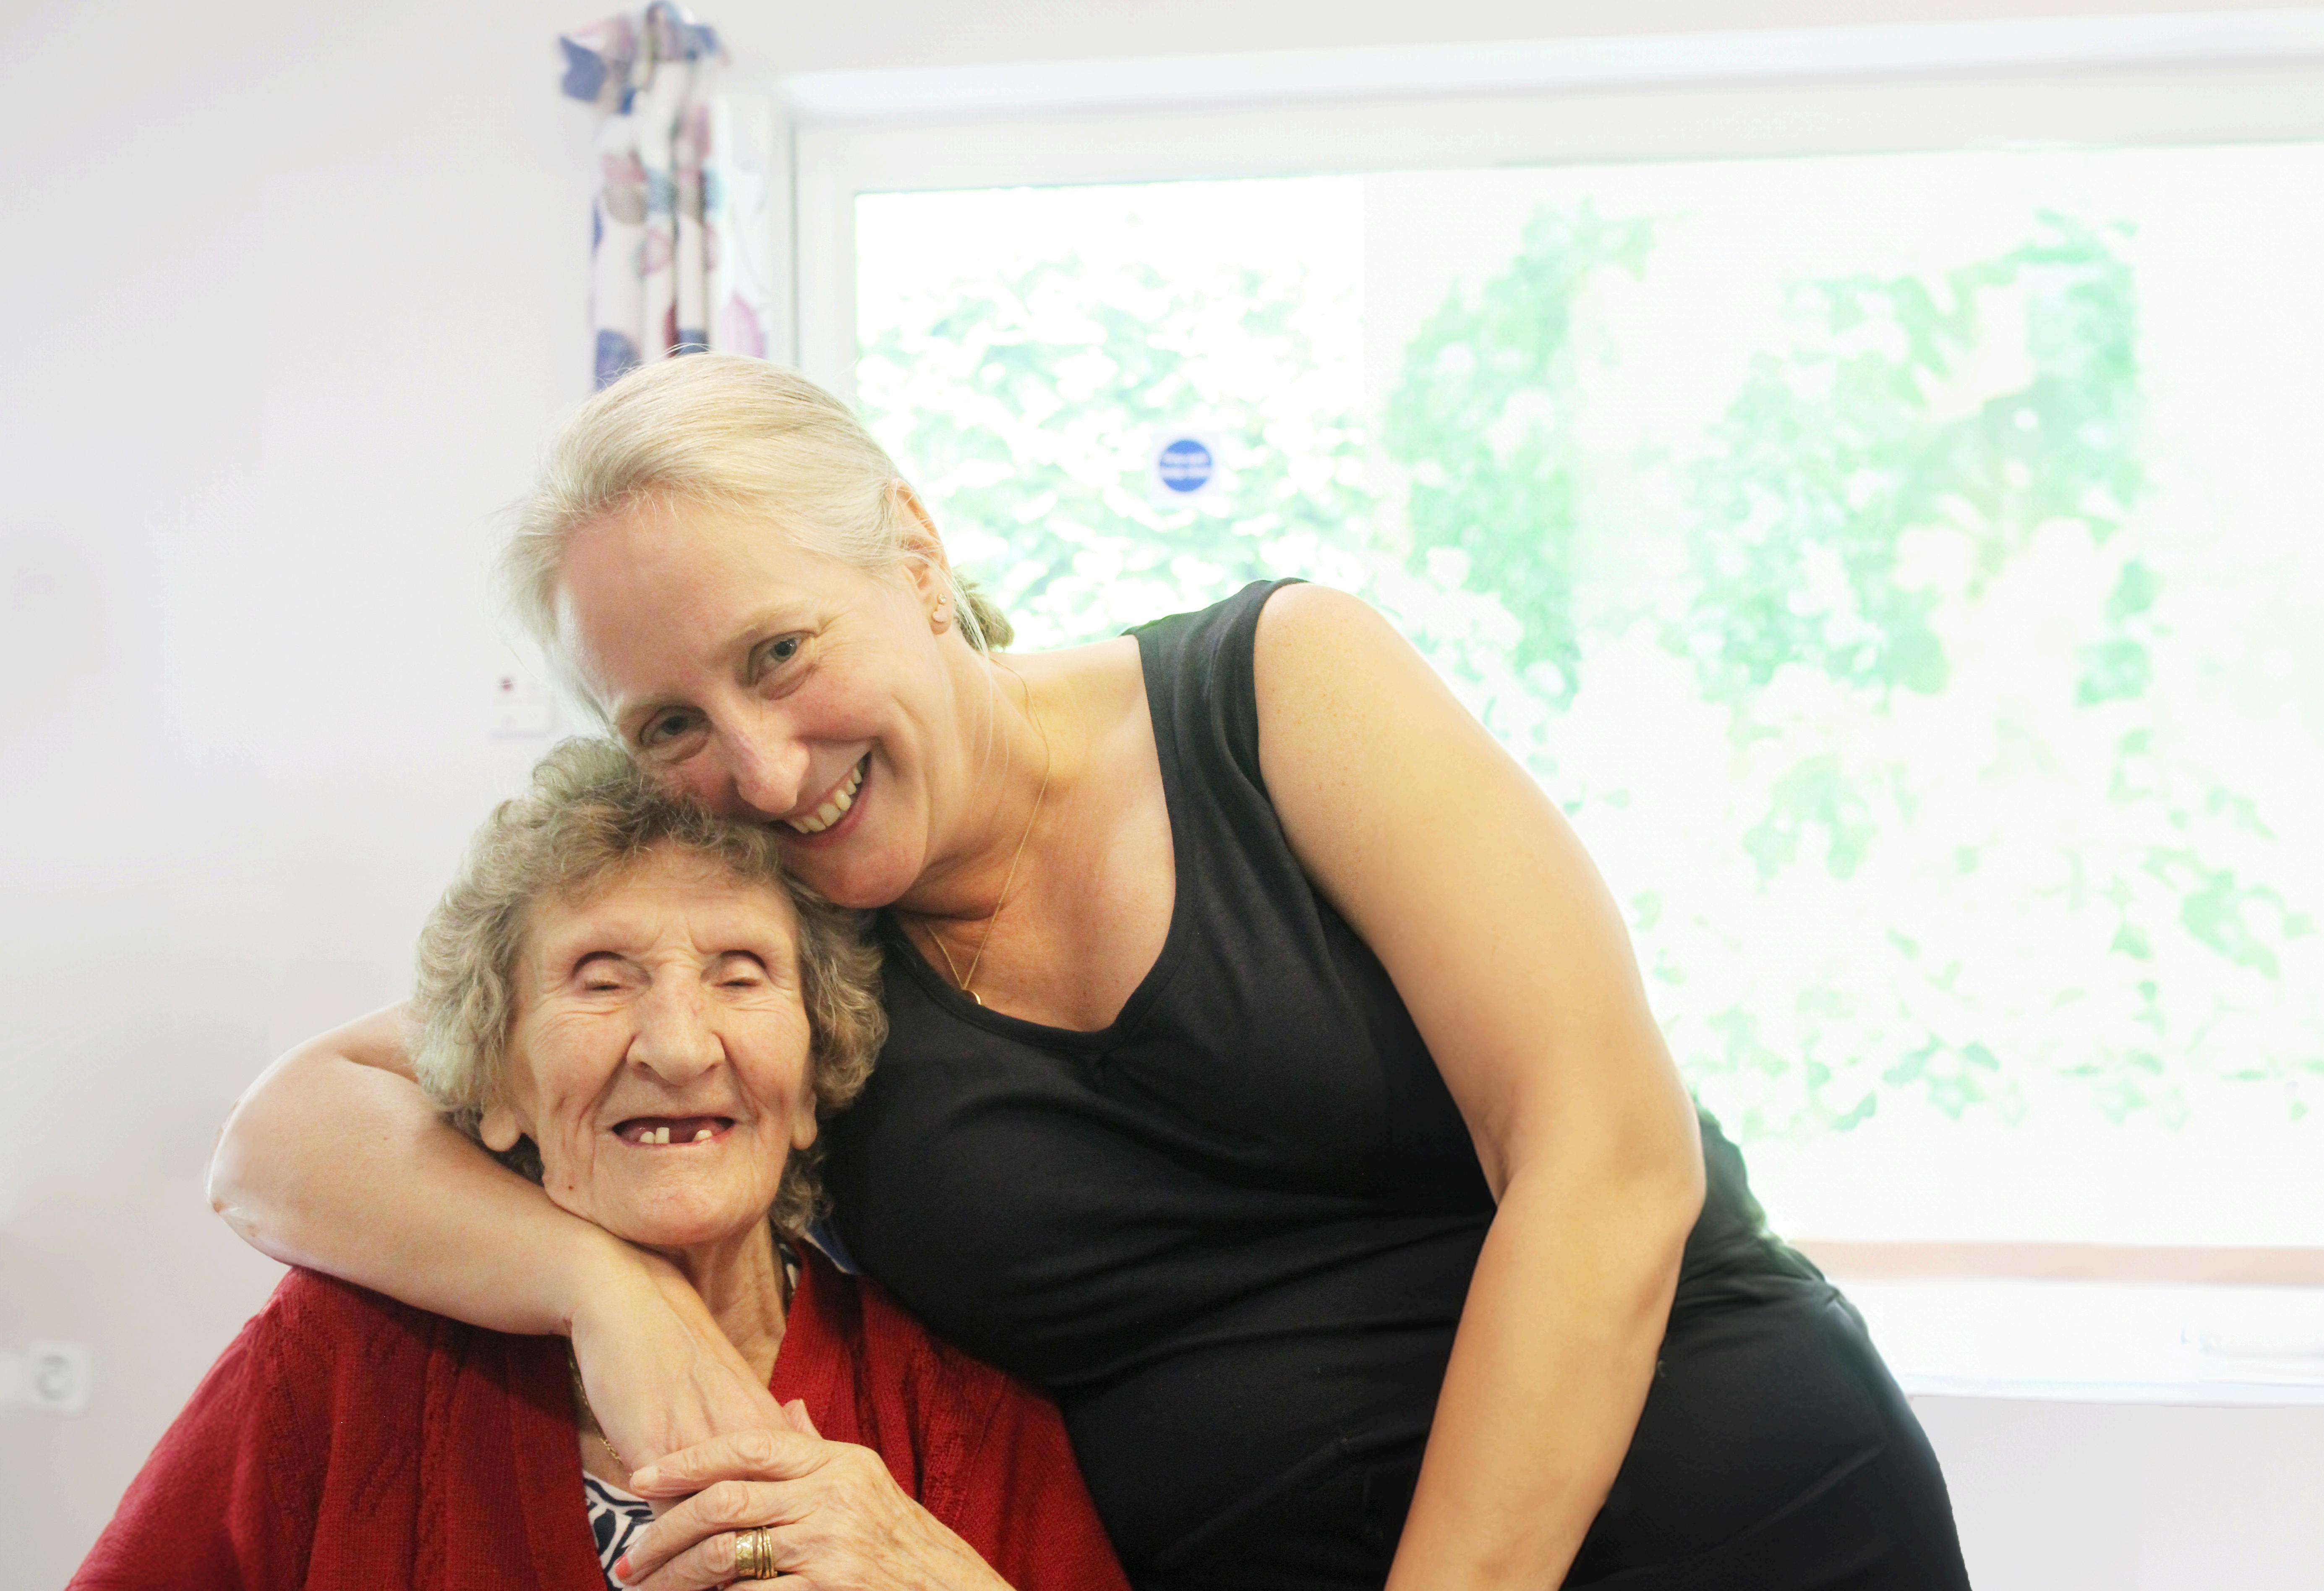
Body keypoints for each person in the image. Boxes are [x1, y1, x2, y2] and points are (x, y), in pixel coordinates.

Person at [210, 354, 1972, 1590]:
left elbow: (1605, 1160)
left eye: (780, 651)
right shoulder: (782, 966)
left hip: (1751, 1524)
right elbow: (285, 1135)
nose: (757, 763)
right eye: (668, 721)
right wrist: (606, 1293)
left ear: (912, 552)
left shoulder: (1282, 691)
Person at [78, 740, 1128, 1591]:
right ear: (498, 1083)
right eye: (601, 979)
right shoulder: (344, 1356)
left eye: (740, 975)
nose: (678, 1047)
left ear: (815, 1077)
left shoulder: (963, 1418)